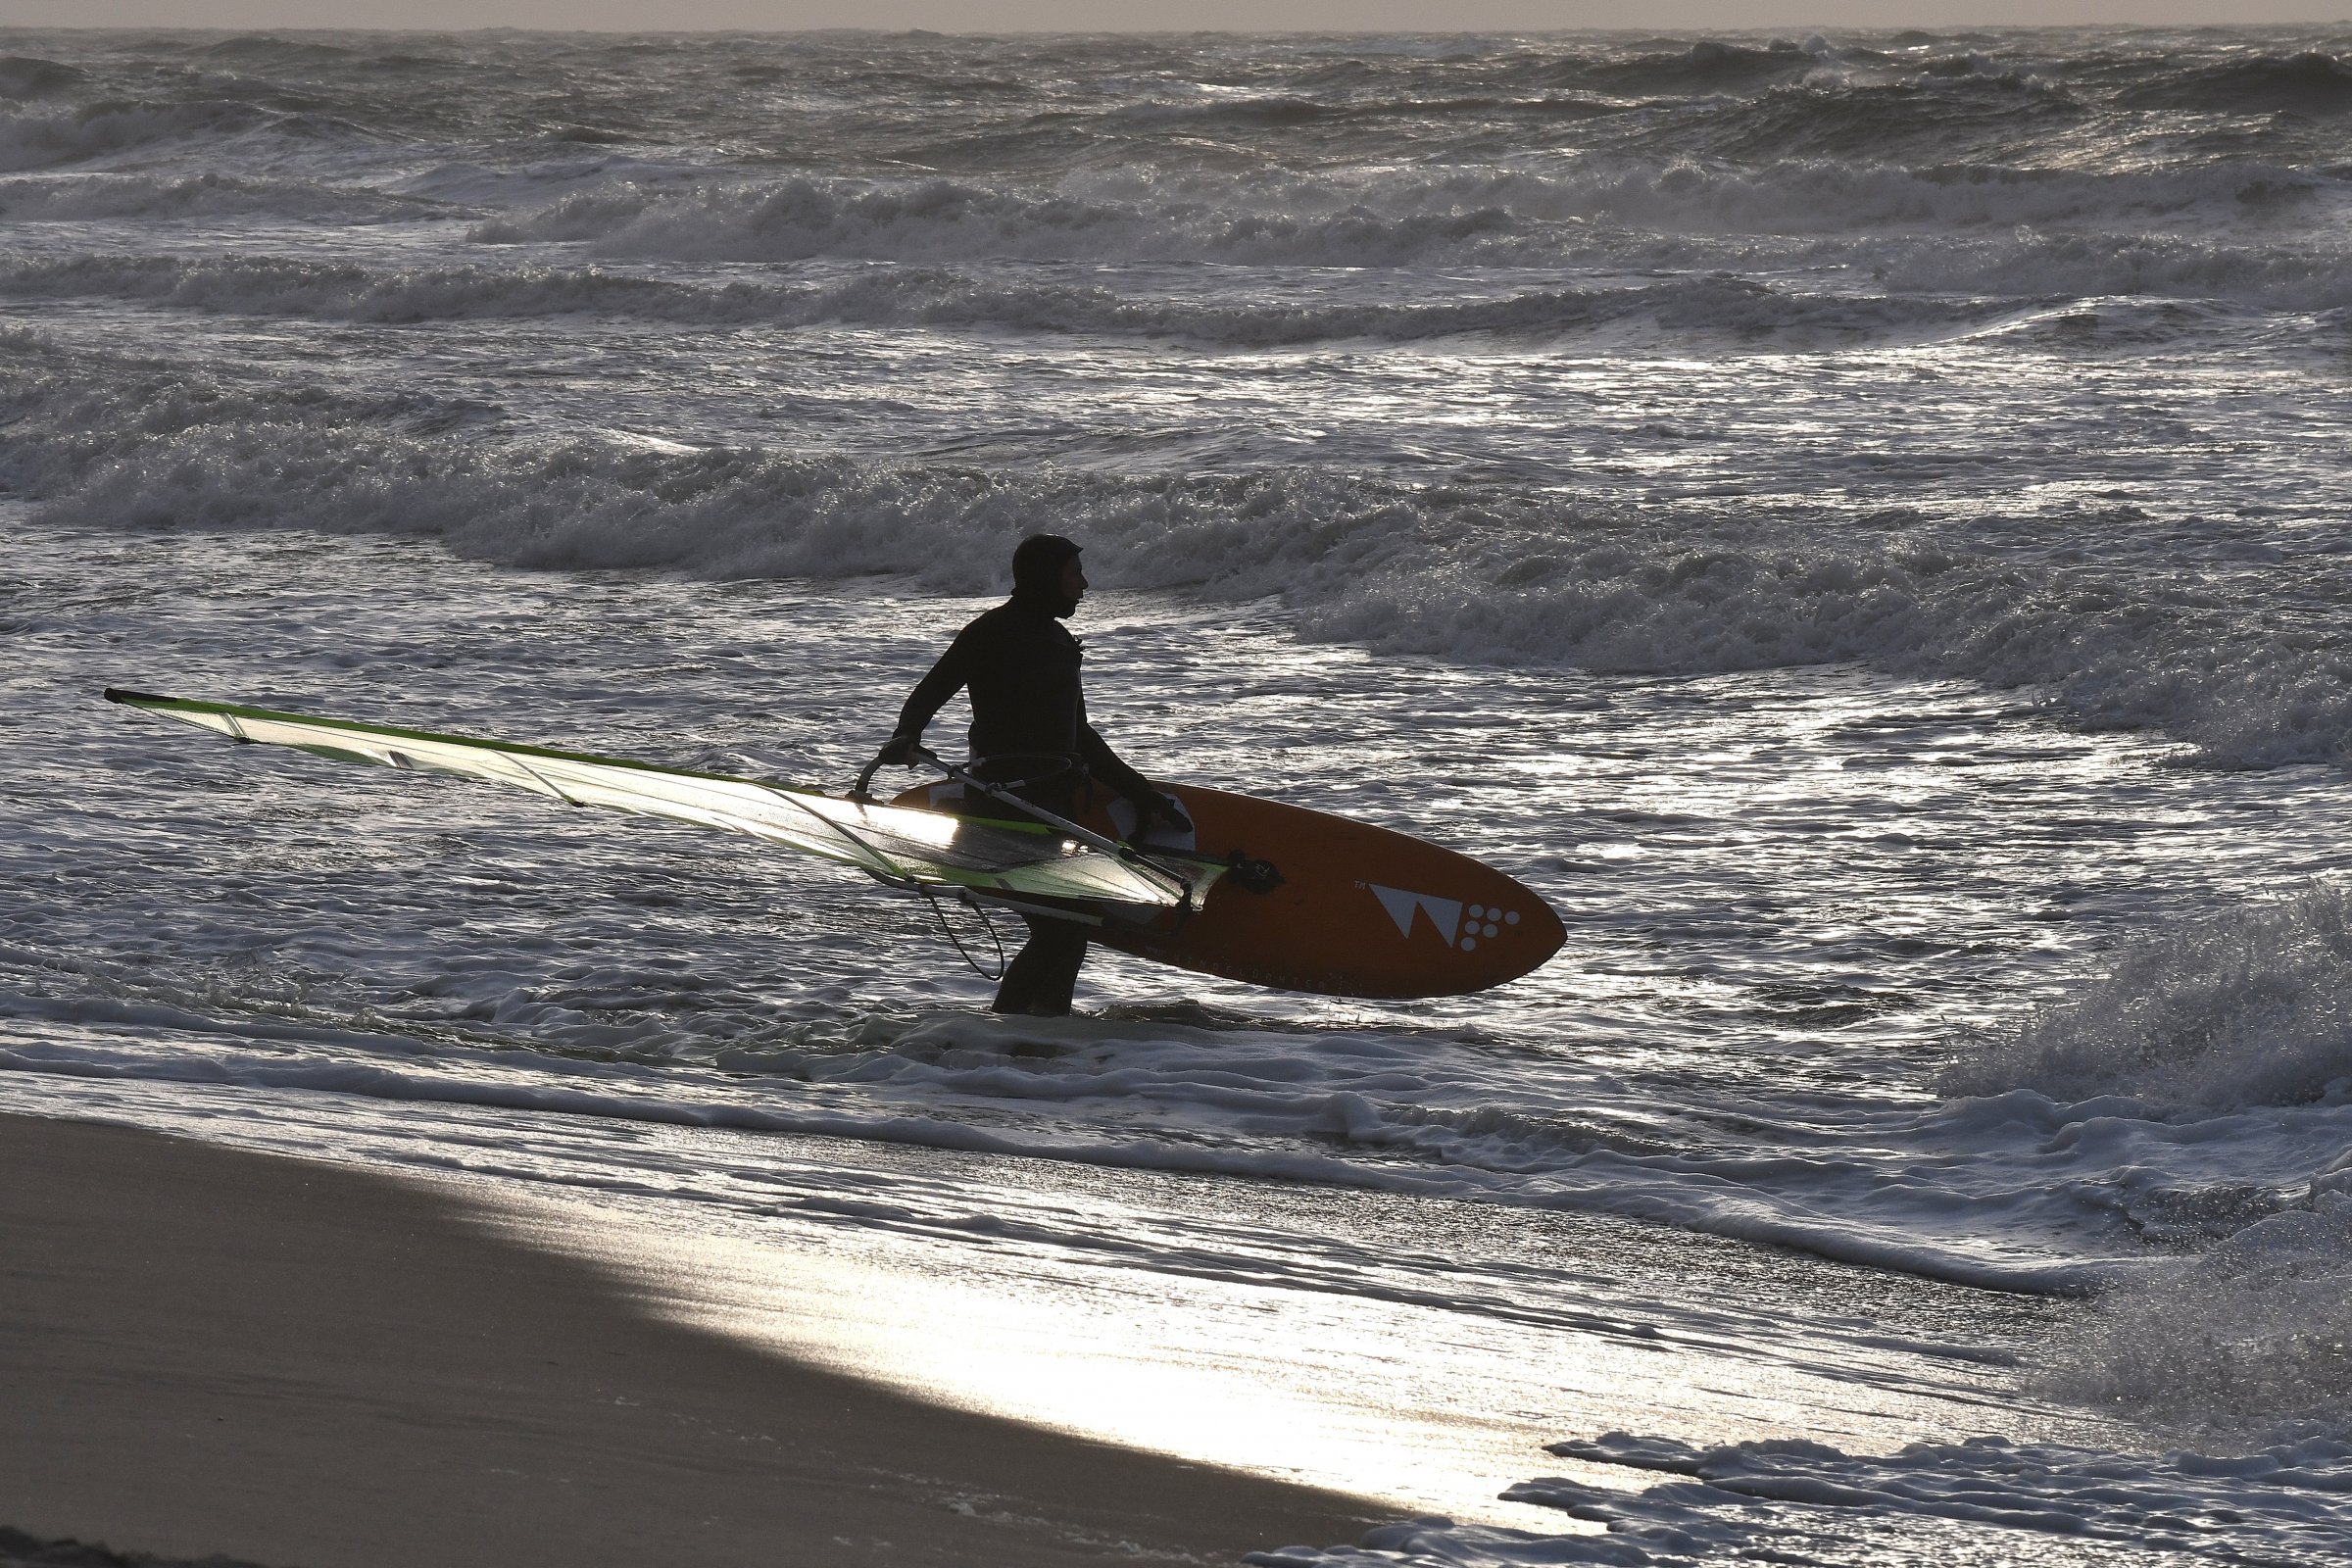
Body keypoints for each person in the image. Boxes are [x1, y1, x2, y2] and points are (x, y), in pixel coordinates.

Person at [876, 534, 1191, 1016]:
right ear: (1047, 577)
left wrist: (1141, 793)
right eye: (1074, 574)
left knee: (1067, 924)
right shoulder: (990, 631)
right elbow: (932, 688)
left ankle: (1040, 1028)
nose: (1084, 586)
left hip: (1052, 807)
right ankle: (1011, 1032)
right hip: (1003, 804)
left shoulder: (1061, 643)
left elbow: (1079, 735)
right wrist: (906, 736)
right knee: (1063, 926)